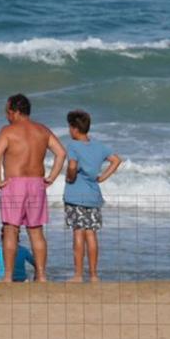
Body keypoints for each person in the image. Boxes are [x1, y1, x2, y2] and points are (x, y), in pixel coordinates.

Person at [0, 94, 65, 283]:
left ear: (15, 111)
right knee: (36, 231)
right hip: (36, 183)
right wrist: (51, 177)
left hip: (14, 184)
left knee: (10, 230)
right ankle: (41, 275)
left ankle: (7, 276)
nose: (6, 115)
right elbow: (61, 153)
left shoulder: (8, 131)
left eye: (7, 111)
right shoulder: (42, 130)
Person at [61, 110, 122, 284]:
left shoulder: (73, 145)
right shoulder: (99, 146)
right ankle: (94, 275)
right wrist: (102, 177)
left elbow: (72, 166)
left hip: (75, 196)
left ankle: (79, 275)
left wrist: (70, 177)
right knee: (91, 235)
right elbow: (116, 160)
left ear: (74, 128)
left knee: (78, 234)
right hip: (93, 196)